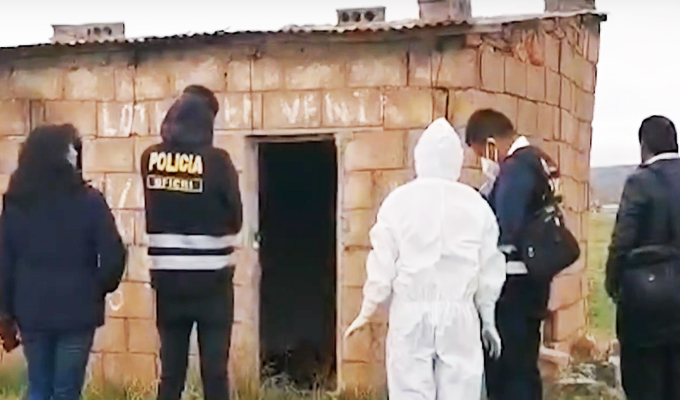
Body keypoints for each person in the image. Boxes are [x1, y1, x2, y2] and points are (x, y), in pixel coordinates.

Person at [344, 118, 506, 399]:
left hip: (410, 312)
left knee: (409, 388)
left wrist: (368, 308)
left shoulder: (398, 202)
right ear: (456, 160)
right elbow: (489, 267)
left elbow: (382, 263)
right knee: (461, 388)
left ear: (420, 157)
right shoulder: (477, 206)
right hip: (459, 315)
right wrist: (488, 317)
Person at [0, 124, 126, 400]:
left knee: (39, 387)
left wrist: (5, 313)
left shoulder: (16, 203)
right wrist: (96, 288)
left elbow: (5, 262)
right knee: (66, 391)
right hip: (77, 312)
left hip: (31, 311)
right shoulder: (90, 201)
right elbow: (114, 255)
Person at [141, 85, 243, 400]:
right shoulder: (218, 162)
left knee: (171, 374)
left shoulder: (150, 158)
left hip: (168, 284)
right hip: (212, 286)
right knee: (215, 373)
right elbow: (236, 217)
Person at [465, 109, 559, 400]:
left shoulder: (515, 170)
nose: (484, 162)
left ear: (491, 144)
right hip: (534, 281)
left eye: (481, 153)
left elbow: (504, 228)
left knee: (508, 371)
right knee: (525, 365)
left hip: (513, 285)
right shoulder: (540, 161)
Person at [605, 116, 680, 399]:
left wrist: (614, 285)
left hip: (647, 301)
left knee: (644, 383)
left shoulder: (641, 182)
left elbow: (622, 241)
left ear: (644, 145)